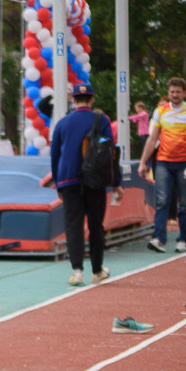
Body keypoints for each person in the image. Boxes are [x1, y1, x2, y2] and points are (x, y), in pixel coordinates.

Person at [42, 84, 120, 286]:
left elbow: (55, 156)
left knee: (73, 226)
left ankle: (76, 271)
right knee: (96, 226)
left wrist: (59, 183)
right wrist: (116, 182)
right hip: (95, 179)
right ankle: (97, 271)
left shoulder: (62, 123)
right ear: (92, 99)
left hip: (69, 180)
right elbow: (111, 153)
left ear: (74, 100)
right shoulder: (101, 120)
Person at [140, 77, 186, 253]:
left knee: (185, 202)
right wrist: (143, 162)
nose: (175, 95)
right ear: (168, 93)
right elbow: (152, 139)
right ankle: (159, 238)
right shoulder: (160, 111)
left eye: (178, 92)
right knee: (162, 200)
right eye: (172, 92)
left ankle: (183, 239)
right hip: (164, 162)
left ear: (184, 93)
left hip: (184, 164)